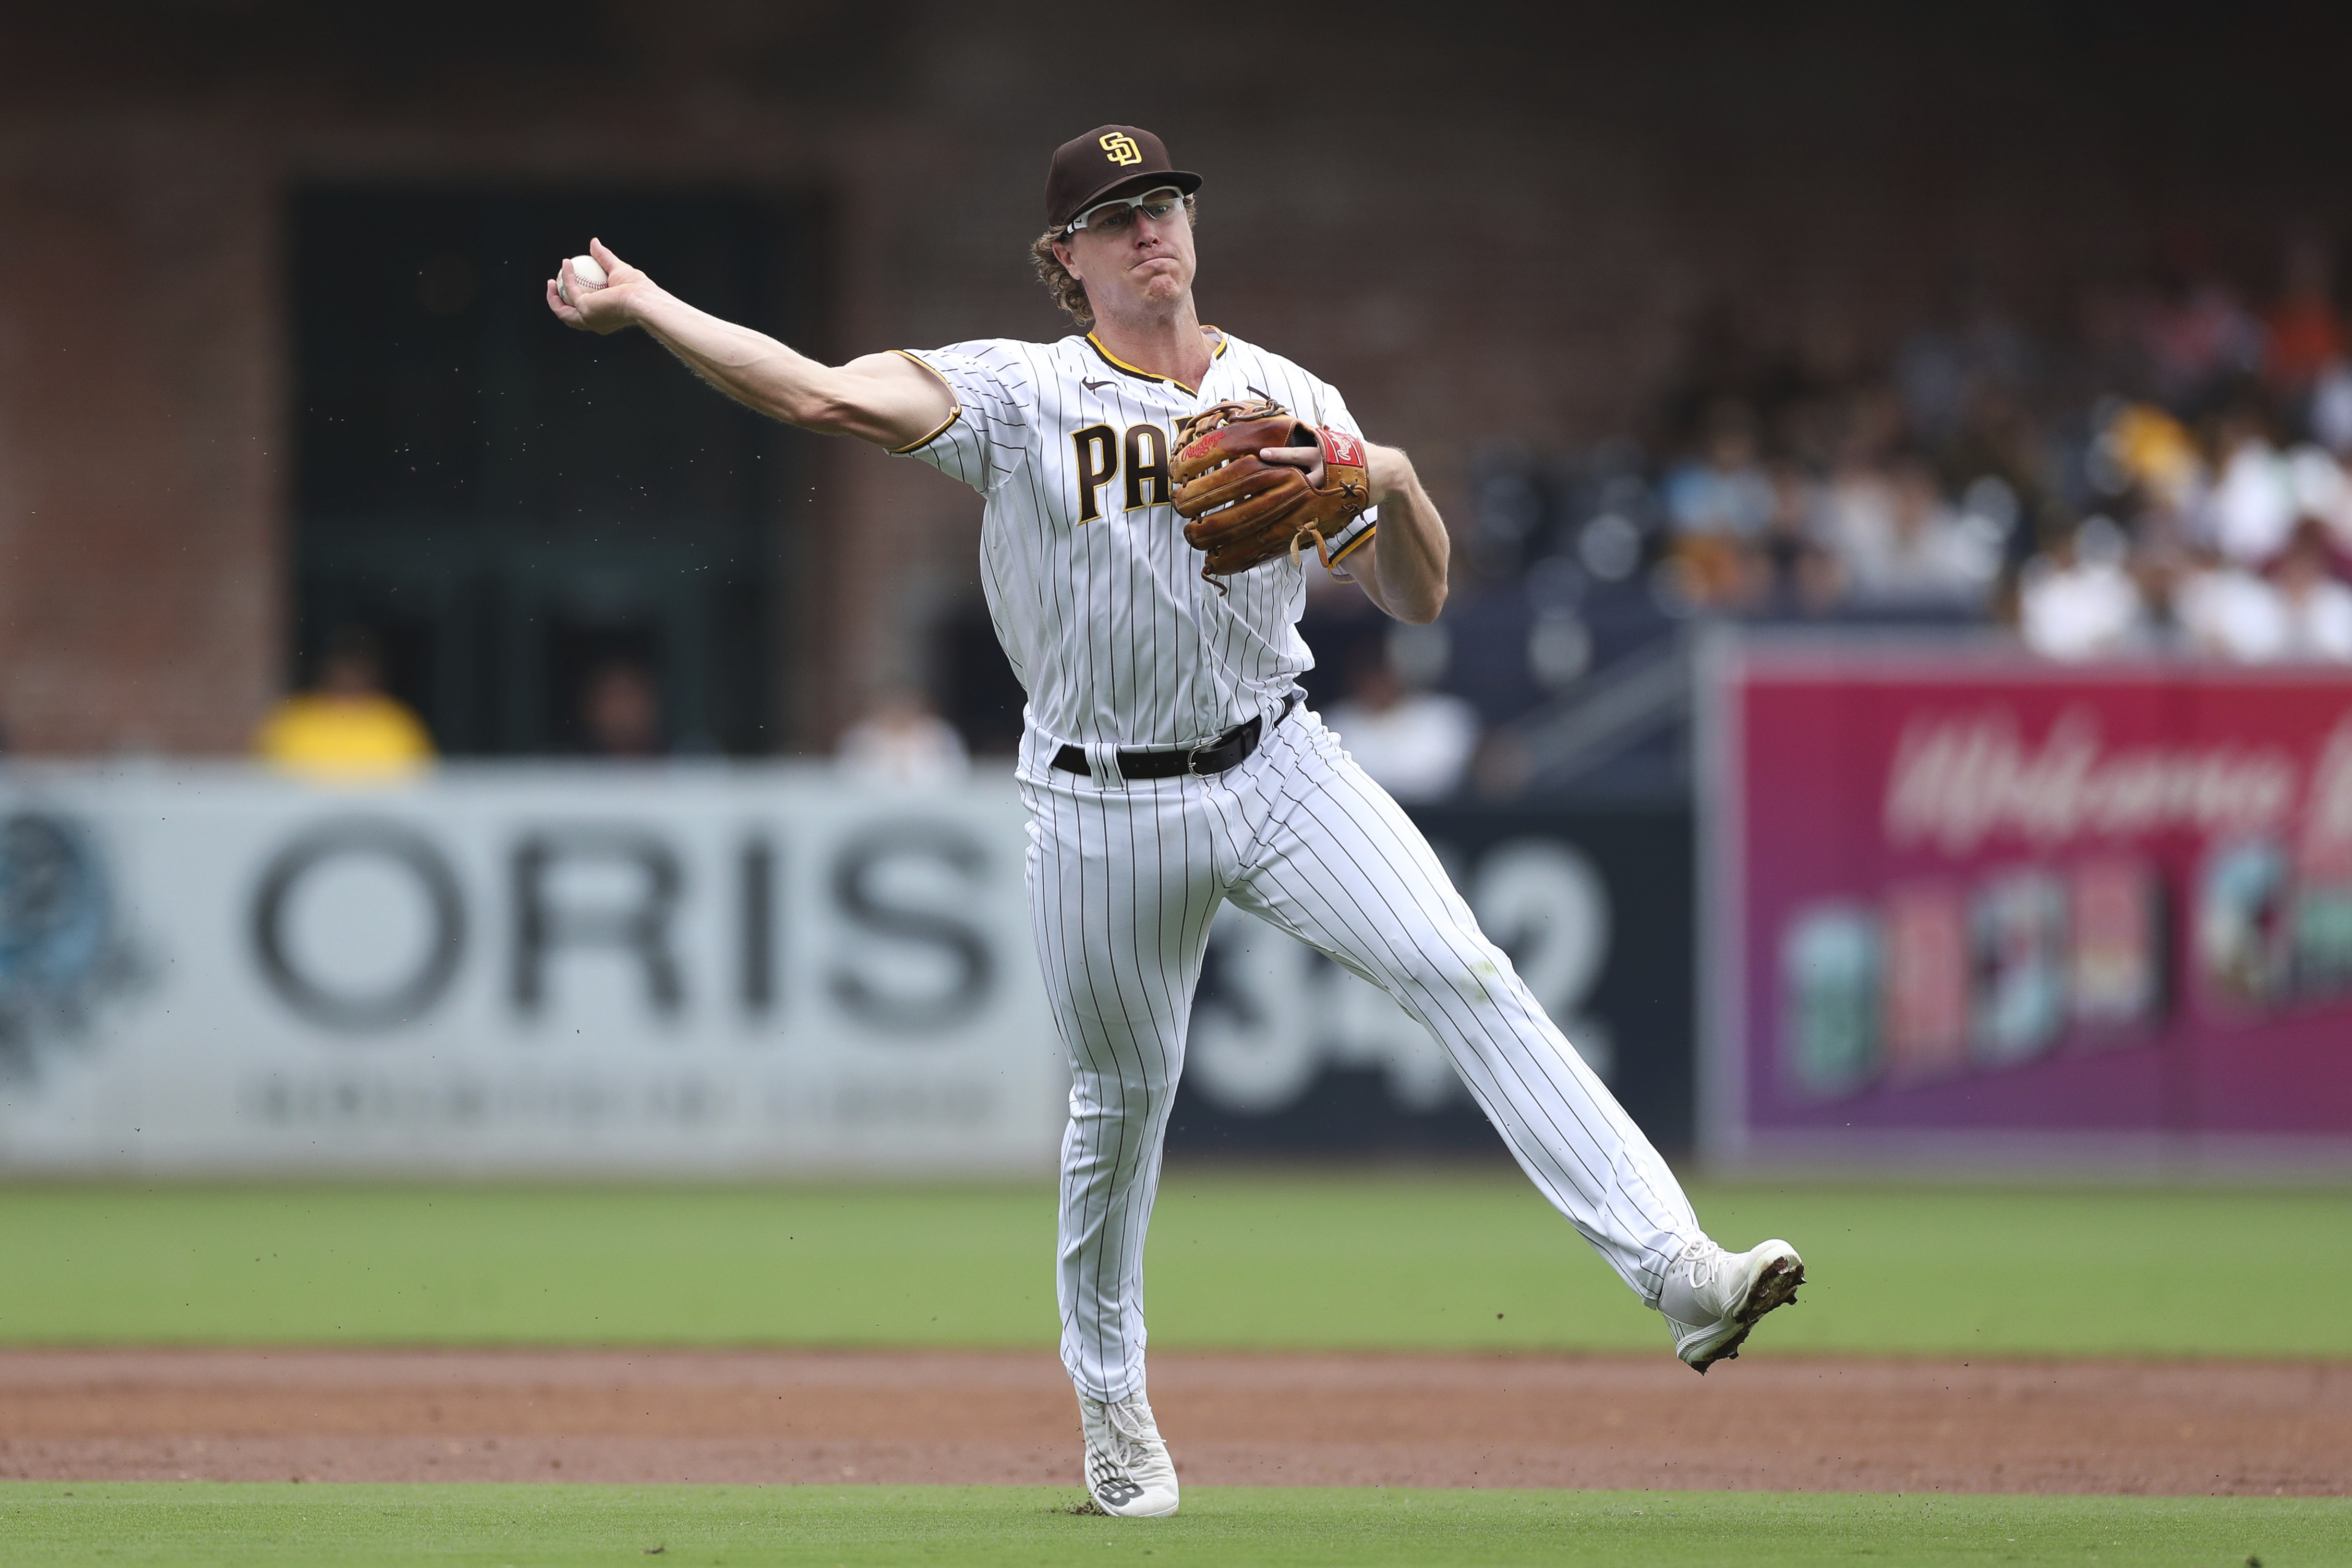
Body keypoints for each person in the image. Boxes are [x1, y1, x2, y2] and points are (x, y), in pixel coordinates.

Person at [547, 125, 1803, 1520]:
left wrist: (1383, 475)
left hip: (1276, 759)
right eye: (1116, 213)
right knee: (1119, 1110)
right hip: (1096, 799)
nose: (1151, 227)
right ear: (1063, 258)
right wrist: (648, 303)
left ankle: (1679, 1270)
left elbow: (1417, 597)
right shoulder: (1020, 395)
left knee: (1466, 968)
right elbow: (819, 397)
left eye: (1165, 203)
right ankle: (1109, 1397)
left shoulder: (1280, 393)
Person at [254, 626, 435, 779]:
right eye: (344, 669)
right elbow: (261, 784)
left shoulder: (399, 724)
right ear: (325, 670)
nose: (350, 678)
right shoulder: (291, 721)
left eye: (358, 670)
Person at [836, 688, 972, 785]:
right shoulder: (862, 736)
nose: (899, 713)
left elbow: (956, 772)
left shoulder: (939, 734)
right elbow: (847, 772)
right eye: (893, 707)